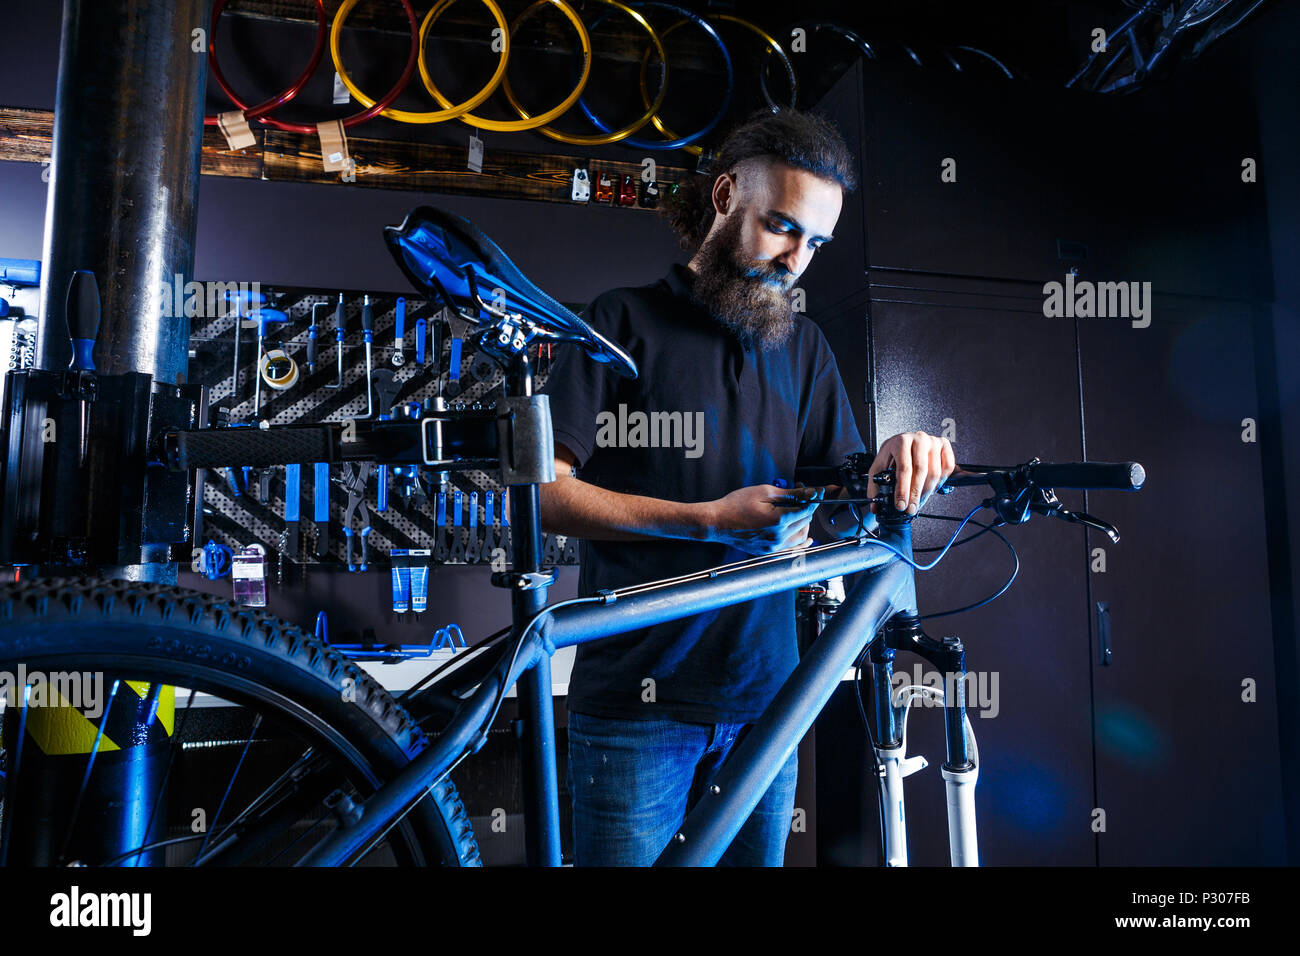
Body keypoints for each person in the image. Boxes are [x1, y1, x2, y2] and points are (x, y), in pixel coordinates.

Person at [539, 108, 955, 866]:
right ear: (726, 194)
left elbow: (844, 507)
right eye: (784, 226)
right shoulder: (617, 323)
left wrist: (898, 460)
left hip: (769, 705)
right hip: (636, 709)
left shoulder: (805, 348)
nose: (797, 258)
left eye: (816, 242)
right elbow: (542, 495)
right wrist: (707, 522)